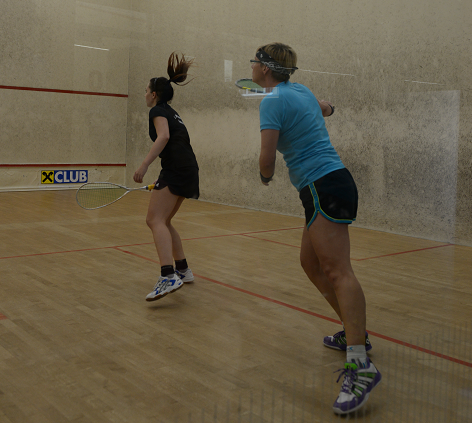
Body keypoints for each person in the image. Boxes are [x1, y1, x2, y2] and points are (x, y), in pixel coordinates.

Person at [251, 42, 381, 415]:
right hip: (324, 187)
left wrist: (265, 177)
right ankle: (354, 331)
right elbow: (325, 108)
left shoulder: (271, 101)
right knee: (310, 264)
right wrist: (327, 109)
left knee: (338, 272)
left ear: (265, 68)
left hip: (324, 186)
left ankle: (360, 365)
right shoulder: (300, 91)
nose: (251, 66)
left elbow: (266, 159)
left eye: (254, 61)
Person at [133, 52, 199, 302]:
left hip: (177, 169)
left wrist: (144, 165)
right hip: (187, 168)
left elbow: (164, 137)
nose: (144, 94)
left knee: (154, 220)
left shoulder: (157, 111)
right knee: (165, 220)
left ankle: (168, 275)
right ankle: (182, 269)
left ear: (154, 94)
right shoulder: (171, 111)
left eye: (145, 90)